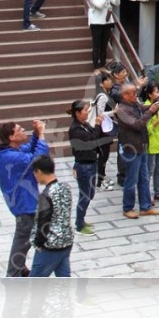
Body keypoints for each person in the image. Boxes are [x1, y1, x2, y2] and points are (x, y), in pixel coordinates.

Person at [0, 118, 49, 276]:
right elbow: (38, 159)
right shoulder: (11, 157)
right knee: (22, 241)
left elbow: (29, 149)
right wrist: (43, 135)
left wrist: (36, 135)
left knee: (25, 240)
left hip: (26, 201)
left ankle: (20, 268)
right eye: (19, 130)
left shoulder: (11, 152)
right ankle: (14, 273)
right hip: (24, 204)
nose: (23, 130)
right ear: (11, 137)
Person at [113, 80, 159, 218]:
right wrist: (151, 111)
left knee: (144, 178)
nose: (136, 95)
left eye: (135, 92)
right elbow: (137, 125)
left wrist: (156, 103)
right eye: (133, 93)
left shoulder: (134, 105)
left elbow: (144, 108)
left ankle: (145, 206)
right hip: (131, 149)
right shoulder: (122, 110)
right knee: (131, 179)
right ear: (124, 95)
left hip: (141, 146)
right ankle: (127, 208)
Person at [29, 155, 75, 277]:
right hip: (66, 241)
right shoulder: (65, 188)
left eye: (35, 173)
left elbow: (43, 223)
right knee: (63, 281)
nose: (35, 177)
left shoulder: (46, 195)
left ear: (39, 171)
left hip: (50, 246)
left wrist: (38, 243)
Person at [67, 98, 107, 235]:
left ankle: (81, 220)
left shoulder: (83, 125)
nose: (87, 113)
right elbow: (92, 140)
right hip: (84, 166)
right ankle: (79, 224)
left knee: (90, 193)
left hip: (90, 163)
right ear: (77, 113)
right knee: (85, 195)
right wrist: (97, 125)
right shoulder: (75, 129)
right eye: (85, 110)